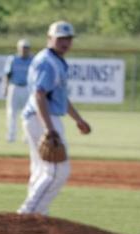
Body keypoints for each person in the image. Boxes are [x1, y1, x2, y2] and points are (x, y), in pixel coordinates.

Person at [18, 20, 92, 215]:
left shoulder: (55, 60)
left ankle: (36, 213)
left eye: (68, 39)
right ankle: (29, 213)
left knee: (41, 169)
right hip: (42, 117)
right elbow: (39, 95)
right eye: (60, 39)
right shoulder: (47, 62)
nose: (65, 42)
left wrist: (78, 119)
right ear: (49, 39)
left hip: (40, 116)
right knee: (59, 171)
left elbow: (59, 97)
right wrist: (49, 129)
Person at [3, 37, 32, 144]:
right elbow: (7, 74)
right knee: (11, 112)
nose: (24, 50)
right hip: (14, 87)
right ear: (18, 48)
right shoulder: (13, 59)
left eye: (26, 48)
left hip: (27, 88)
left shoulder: (32, 60)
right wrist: (5, 87)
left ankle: (27, 136)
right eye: (22, 48)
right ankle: (11, 135)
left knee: (28, 113)